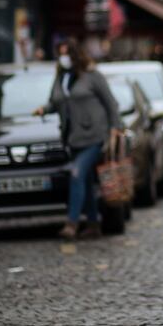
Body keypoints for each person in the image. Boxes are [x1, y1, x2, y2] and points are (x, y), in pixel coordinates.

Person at [35, 39, 121, 240]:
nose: (63, 58)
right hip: (72, 138)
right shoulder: (61, 78)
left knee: (76, 174)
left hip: (94, 136)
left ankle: (71, 224)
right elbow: (55, 101)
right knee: (86, 181)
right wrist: (44, 109)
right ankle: (93, 224)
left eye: (67, 53)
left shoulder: (92, 76)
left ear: (76, 55)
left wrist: (115, 129)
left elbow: (111, 103)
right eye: (60, 54)